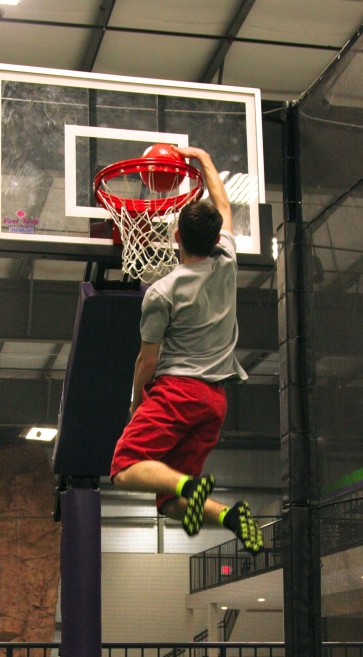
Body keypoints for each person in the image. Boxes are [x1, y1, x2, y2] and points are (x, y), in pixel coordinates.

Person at [110, 146, 262, 553]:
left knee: (124, 468)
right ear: (216, 238)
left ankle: (187, 483)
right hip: (214, 401)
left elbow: (148, 360)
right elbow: (224, 203)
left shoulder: (162, 292)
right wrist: (203, 159)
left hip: (178, 393)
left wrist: (135, 403)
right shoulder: (227, 261)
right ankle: (230, 515)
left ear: (176, 236)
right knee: (170, 504)